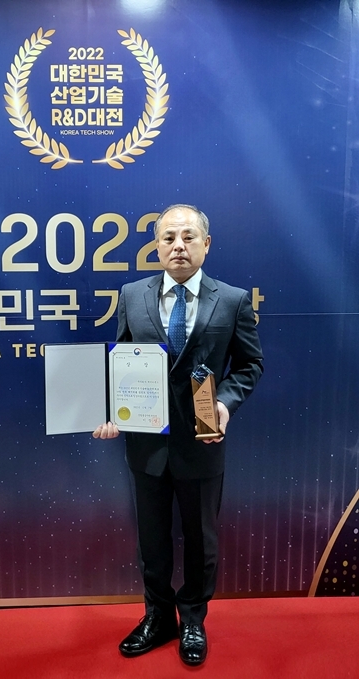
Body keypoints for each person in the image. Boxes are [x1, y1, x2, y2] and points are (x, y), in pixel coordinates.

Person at [93, 204, 263, 666]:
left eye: (188, 237)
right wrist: (109, 412)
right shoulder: (132, 295)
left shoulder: (232, 300)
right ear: (157, 245)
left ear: (206, 244)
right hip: (146, 445)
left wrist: (224, 404)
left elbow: (250, 364)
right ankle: (157, 616)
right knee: (152, 540)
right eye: (169, 238)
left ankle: (192, 619)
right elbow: (120, 360)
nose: (178, 246)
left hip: (204, 442)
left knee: (201, 540)